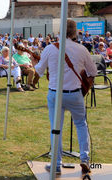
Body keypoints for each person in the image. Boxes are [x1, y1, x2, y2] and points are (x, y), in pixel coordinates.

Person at [35, 19, 97, 175]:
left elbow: (39, 71)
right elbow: (93, 72)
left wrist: (34, 61)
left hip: (55, 93)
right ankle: (84, 158)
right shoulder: (81, 49)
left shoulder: (50, 48)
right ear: (74, 32)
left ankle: (56, 163)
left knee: (56, 128)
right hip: (75, 93)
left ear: (60, 31)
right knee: (81, 124)